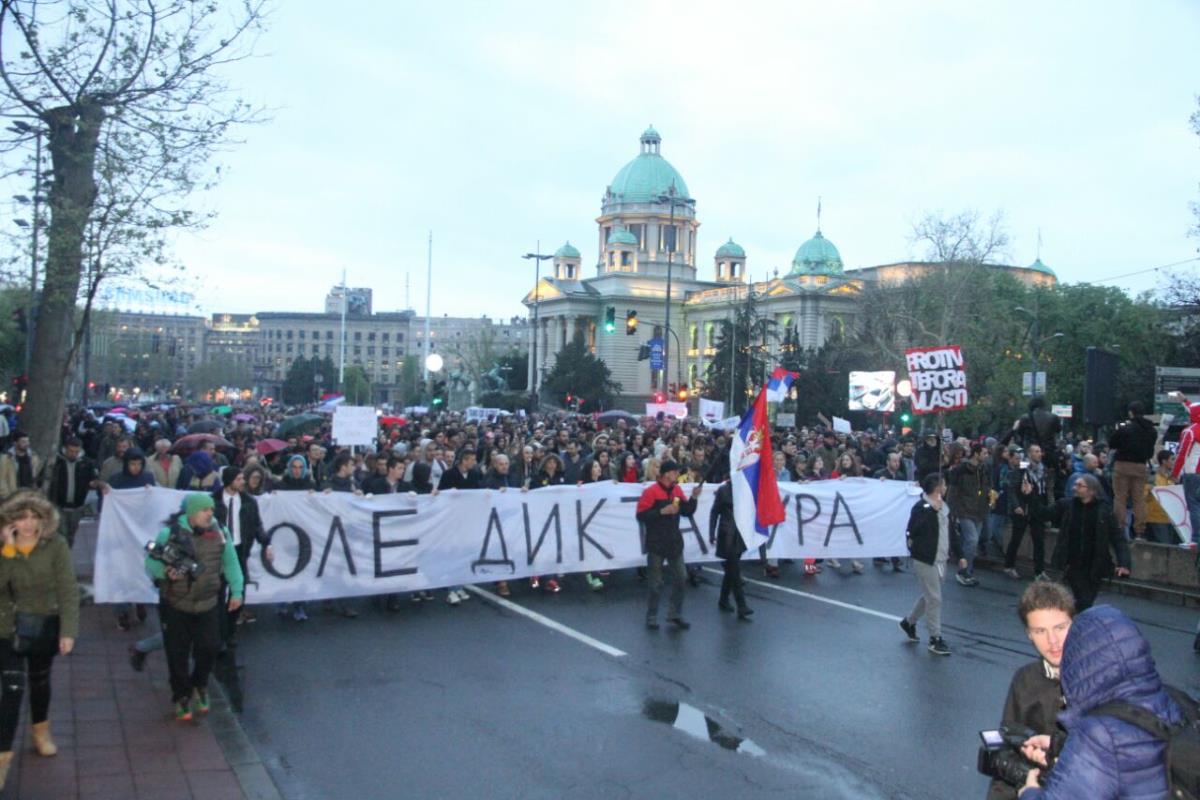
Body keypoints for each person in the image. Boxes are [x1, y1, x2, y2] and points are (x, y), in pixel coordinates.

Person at [1017, 605, 1184, 799]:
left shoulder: (1099, 733)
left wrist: (1028, 793)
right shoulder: (1171, 700)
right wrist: (1061, 746)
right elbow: (1135, 754)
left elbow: (1110, 750)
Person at [0, 491, 79, 787]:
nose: (29, 523)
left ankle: (40, 729)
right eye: (22, 516)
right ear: (11, 519)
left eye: (35, 517)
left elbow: (68, 589)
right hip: (6, 625)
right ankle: (3, 757)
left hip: (44, 621)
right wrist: (8, 550)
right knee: (12, 688)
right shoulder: (3, 544)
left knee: (39, 680)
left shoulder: (55, 545)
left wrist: (68, 630)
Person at [144, 493, 244, 721]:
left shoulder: (220, 533)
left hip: (208, 602)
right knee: (177, 654)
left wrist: (237, 591)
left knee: (209, 647)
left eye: (211, 509)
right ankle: (181, 696)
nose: (210, 513)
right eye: (204, 510)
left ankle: (200, 684)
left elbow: (231, 562)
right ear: (191, 513)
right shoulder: (169, 534)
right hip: (176, 605)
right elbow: (151, 561)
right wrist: (165, 573)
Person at [986, 582, 1075, 800]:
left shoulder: (1100, 678)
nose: (1053, 641)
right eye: (1040, 631)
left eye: (1060, 628)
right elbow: (1007, 751)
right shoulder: (1025, 680)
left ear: (1075, 624)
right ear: (1029, 634)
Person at [1047, 474, 1131, 611]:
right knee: (1084, 601)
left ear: (1092, 490)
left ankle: (1071, 623)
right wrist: (1029, 496)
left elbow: (1118, 538)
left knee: (1086, 603)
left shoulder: (1104, 511)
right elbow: (1043, 513)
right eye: (1075, 484)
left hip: (1096, 566)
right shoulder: (1068, 506)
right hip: (1073, 564)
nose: (1075, 488)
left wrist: (1124, 563)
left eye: (1080, 485)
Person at [636, 459, 702, 631]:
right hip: (656, 543)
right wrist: (661, 511)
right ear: (666, 474)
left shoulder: (677, 490)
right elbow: (641, 515)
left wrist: (694, 497)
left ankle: (675, 613)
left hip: (673, 542)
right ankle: (652, 616)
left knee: (681, 578)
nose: (677, 475)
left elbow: (687, 511)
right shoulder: (651, 492)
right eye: (674, 472)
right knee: (656, 583)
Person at [899, 472, 955, 656]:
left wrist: (959, 553)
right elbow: (914, 529)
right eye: (944, 485)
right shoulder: (921, 507)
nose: (946, 488)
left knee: (930, 595)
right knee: (935, 598)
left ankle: (909, 622)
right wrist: (933, 511)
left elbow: (950, 531)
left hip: (941, 558)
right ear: (937, 488)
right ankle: (935, 637)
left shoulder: (944, 507)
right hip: (925, 558)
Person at [213, 467, 273, 631]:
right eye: (238, 479)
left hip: (239, 549)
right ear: (228, 481)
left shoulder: (248, 501)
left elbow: (256, 525)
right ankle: (218, 621)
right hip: (218, 551)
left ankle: (232, 621)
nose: (243, 482)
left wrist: (267, 543)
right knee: (217, 587)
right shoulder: (214, 501)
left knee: (238, 586)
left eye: (242, 479)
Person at [1107, 400, 1158, 539]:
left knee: (1120, 498)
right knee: (1139, 499)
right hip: (1141, 466)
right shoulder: (1151, 430)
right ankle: (1140, 531)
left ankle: (1119, 528)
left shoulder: (1125, 429)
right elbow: (1150, 452)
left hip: (1122, 465)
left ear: (1131, 413)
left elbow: (1112, 443)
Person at [708, 480, 752, 619]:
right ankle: (741, 605)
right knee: (734, 569)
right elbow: (715, 512)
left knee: (731, 569)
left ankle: (723, 599)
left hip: (740, 534)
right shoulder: (723, 490)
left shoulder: (746, 489)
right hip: (727, 533)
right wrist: (711, 532)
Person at [947, 443, 990, 587]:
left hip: (979, 510)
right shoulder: (961, 470)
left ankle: (967, 570)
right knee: (972, 540)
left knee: (972, 542)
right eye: (984, 453)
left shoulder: (984, 469)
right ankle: (963, 571)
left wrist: (989, 499)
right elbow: (953, 491)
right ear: (976, 454)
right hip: (964, 510)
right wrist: (951, 511)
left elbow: (986, 488)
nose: (986, 456)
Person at [1004, 444, 1049, 581]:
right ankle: (1009, 566)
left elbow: (1046, 489)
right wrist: (1016, 505)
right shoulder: (1023, 467)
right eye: (1036, 451)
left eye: (1040, 451)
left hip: (1037, 507)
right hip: (1023, 508)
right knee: (1016, 539)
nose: (1039, 454)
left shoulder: (1043, 469)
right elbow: (1012, 488)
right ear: (1029, 454)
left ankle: (1039, 571)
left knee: (1039, 540)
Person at [43, 436, 96, 548]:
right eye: (71, 451)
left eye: (76, 452)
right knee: (61, 532)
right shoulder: (57, 463)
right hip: (59, 505)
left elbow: (93, 479)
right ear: (65, 449)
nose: (73, 454)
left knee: (71, 533)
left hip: (77, 506)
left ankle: (67, 552)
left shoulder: (86, 464)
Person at [0, 432, 43, 499]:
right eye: (23, 441)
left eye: (27, 441)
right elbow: (2, 479)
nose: (27, 444)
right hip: (13, 496)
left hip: (29, 495)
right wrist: (7, 496)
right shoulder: (6, 458)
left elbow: (35, 476)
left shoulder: (33, 457)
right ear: (15, 443)